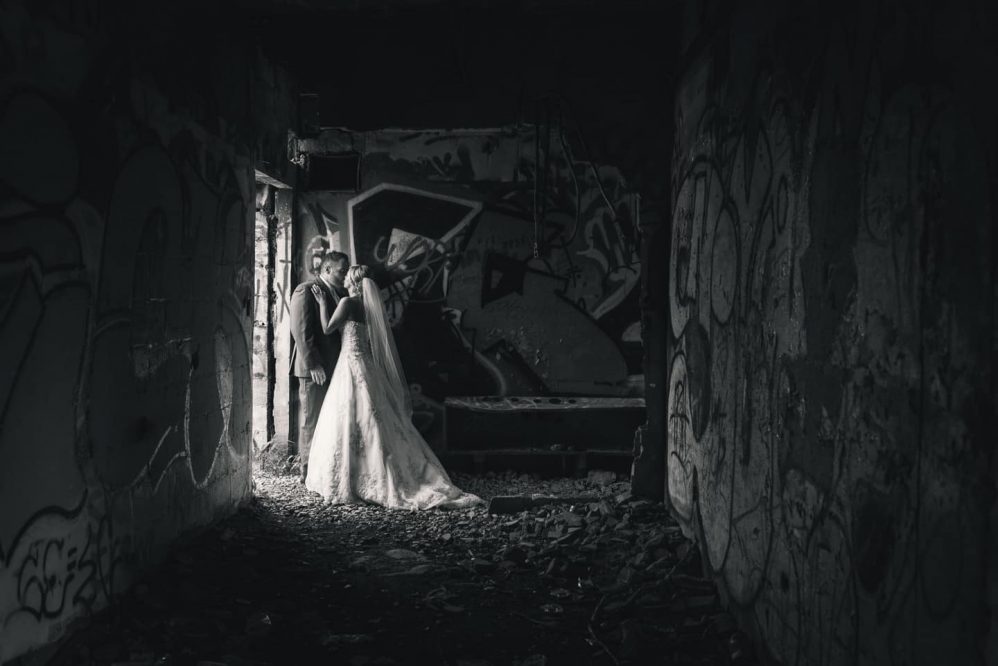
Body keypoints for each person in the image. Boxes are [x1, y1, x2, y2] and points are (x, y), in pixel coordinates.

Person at [304, 265, 482, 510]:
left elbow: (327, 328)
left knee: (353, 419)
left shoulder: (347, 302)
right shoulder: (370, 307)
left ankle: (355, 474)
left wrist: (323, 303)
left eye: (347, 275)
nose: (343, 277)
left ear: (354, 281)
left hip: (350, 365)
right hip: (367, 365)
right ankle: (380, 470)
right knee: (374, 419)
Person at [289, 250, 349, 483]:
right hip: (314, 368)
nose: (345, 276)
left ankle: (325, 470)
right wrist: (313, 364)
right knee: (312, 420)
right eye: (341, 271)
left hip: (336, 367)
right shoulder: (305, 290)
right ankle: (307, 472)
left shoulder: (341, 292)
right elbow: (301, 332)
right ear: (326, 270)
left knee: (330, 419)